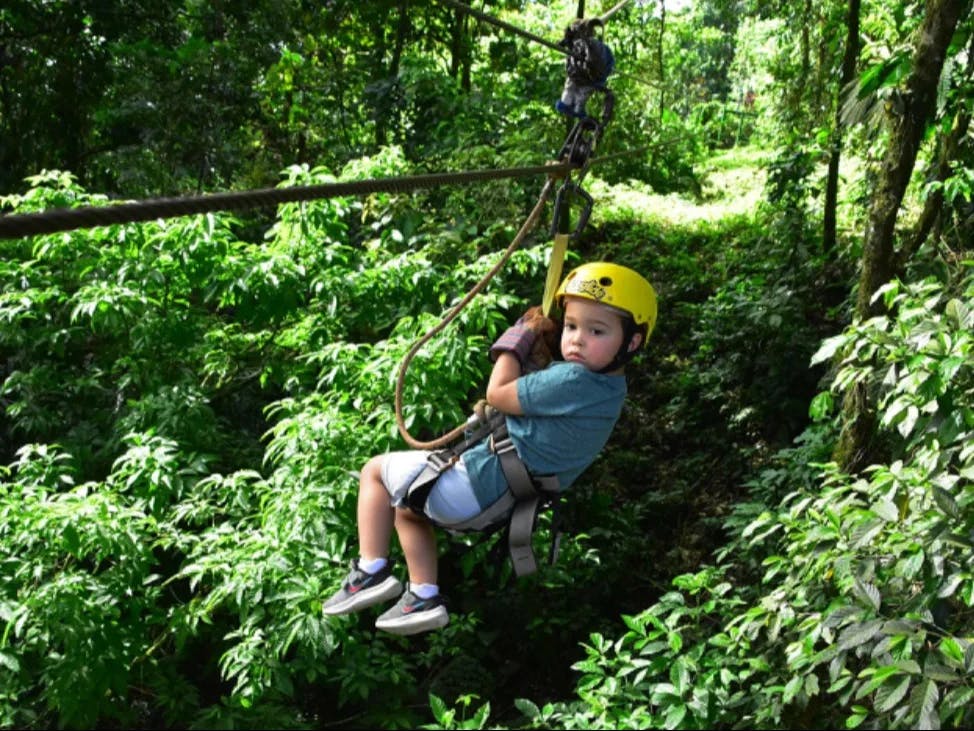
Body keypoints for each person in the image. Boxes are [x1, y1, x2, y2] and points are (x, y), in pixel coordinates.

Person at [322, 261, 658, 635]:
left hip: (476, 485)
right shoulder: (608, 391)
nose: (577, 339)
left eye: (596, 330)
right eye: (571, 326)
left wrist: (520, 337)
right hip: (497, 501)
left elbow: (497, 392)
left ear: (632, 342)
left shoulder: (574, 379)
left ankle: (369, 570)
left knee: (374, 473)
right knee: (407, 509)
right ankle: (422, 597)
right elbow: (537, 407)